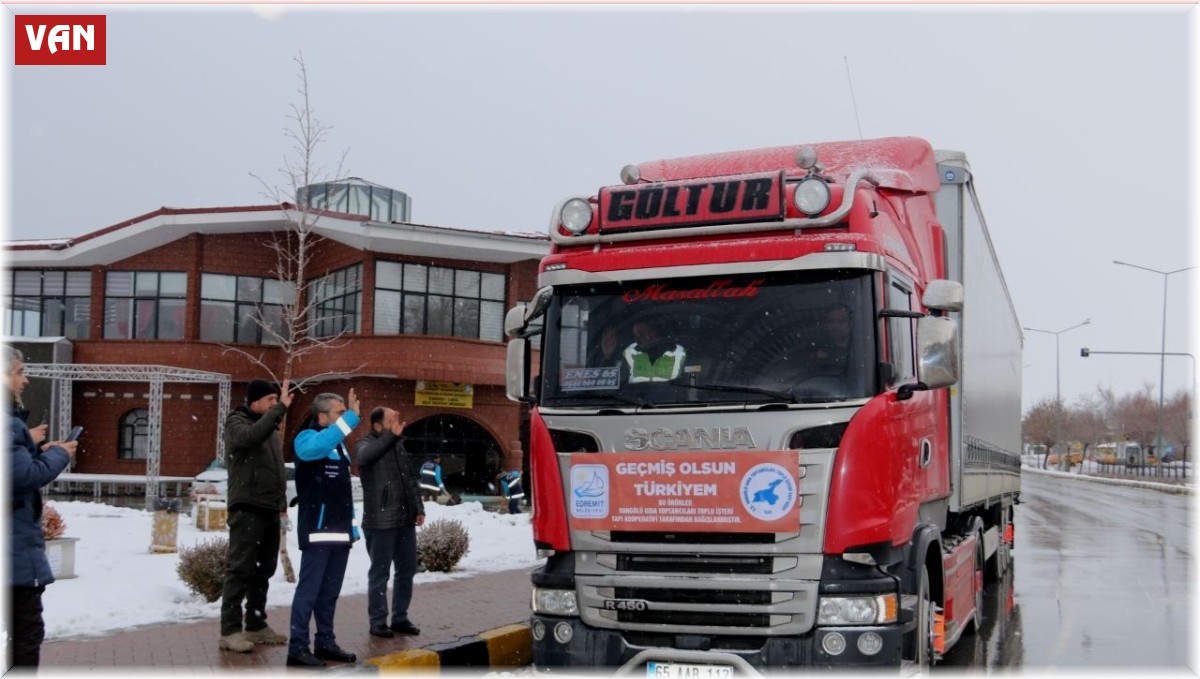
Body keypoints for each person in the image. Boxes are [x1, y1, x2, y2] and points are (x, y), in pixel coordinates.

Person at [6, 346, 76, 671]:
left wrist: (34, 448)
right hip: (14, 556)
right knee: (26, 635)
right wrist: (60, 454)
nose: (26, 379)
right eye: (19, 371)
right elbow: (23, 477)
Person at [287, 390, 361, 668]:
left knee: (329, 592)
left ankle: (325, 641)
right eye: (339, 413)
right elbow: (318, 445)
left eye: (345, 413)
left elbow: (342, 492)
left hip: (340, 533)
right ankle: (297, 647)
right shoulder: (306, 440)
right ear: (322, 416)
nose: (344, 418)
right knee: (309, 591)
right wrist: (351, 418)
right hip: (317, 532)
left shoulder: (339, 445)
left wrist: (352, 529)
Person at [218, 378, 292, 653]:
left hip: (269, 508)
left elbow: (276, 467)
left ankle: (256, 624)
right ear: (255, 401)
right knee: (240, 570)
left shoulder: (268, 429)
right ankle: (230, 630)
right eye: (270, 400)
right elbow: (249, 437)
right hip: (247, 507)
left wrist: (281, 502)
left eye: (276, 400)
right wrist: (279, 410)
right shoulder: (236, 423)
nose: (275, 404)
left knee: (264, 569)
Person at [355, 406, 425, 639]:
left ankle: (400, 618)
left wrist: (418, 508)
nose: (398, 422)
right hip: (380, 522)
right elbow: (365, 457)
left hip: (404, 520)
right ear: (377, 426)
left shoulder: (398, 446)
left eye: (398, 418)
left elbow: (411, 480)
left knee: (407, 569)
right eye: (392, 419)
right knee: (380, 573)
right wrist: (391, 437)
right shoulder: (366, 444)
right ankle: (377, 622)